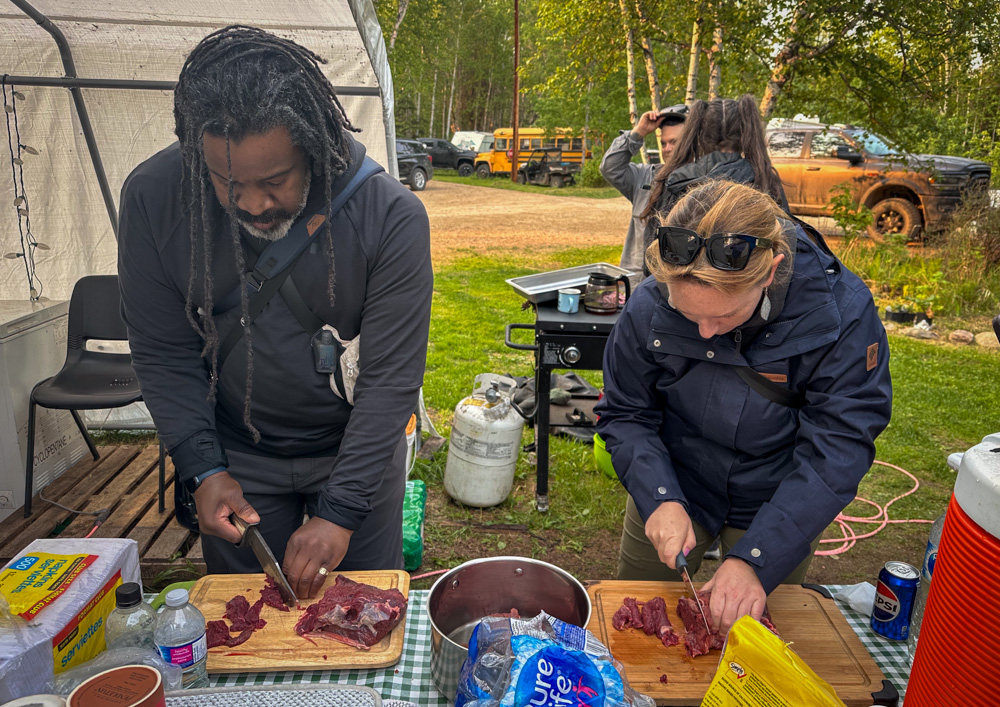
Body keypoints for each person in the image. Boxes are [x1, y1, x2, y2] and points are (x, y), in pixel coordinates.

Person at [117, 26, 433, 600]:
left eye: (276, 181)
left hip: (353, 452)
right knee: (249, 630)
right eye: (227, 182)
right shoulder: (151, 199)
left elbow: (391, 380)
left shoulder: (390, 216)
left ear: (312, 147)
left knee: (360, 614)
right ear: (196, 154)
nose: (254, 204)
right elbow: (164, 351)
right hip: (237, 455)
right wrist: (203, 468)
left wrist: (340, 511)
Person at [594, 179, 892, 634]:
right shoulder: (651, 300)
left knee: (750, 632)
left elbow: (839, 447)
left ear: (770, 272)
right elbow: (626, 411)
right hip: (674, 477)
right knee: (636, 620)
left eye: (725, 316)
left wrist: (759, 558)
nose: (708, 332)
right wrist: (658, 497)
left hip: (779, 497)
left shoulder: (843, 315)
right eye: (689, 316)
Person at [636, 94, 790, 278]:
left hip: (678, 295)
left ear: (698, 133)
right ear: (745, 133)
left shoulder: (675, 180)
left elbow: (651, 260)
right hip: (746, 296)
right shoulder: (764, 182)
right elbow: (785, 251)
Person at [601, 104, 689, 274]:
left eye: (674, 142)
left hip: (676, 287)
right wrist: (639, 132)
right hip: (637, 285)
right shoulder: (646, 176)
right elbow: (610, 168)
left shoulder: (704, 183)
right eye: (663, 143)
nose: (667, 149)